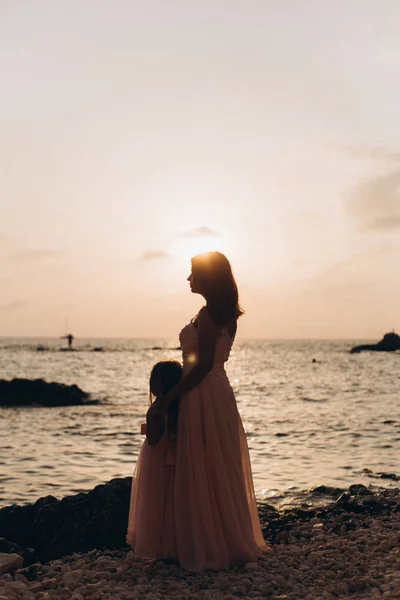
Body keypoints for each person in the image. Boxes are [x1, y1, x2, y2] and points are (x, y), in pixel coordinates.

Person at [159, 251, 270, 572]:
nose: (188, 278)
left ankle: (204, 542)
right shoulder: (227, 314)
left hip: (201, 391)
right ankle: (220, 536)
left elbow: (204, 363)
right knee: (216, 463)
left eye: (193, 272)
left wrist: (172, 396)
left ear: (209, 278)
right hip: (218, 390)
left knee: (199, 462)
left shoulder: (209, 315)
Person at [126, 360, 182, 559]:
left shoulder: (157, 408)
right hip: (177, 457)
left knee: (155, 500)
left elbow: (152, 437)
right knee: (173, 501)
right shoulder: (182, 407)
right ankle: (175, 543)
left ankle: (158, 544)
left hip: (156, 458)